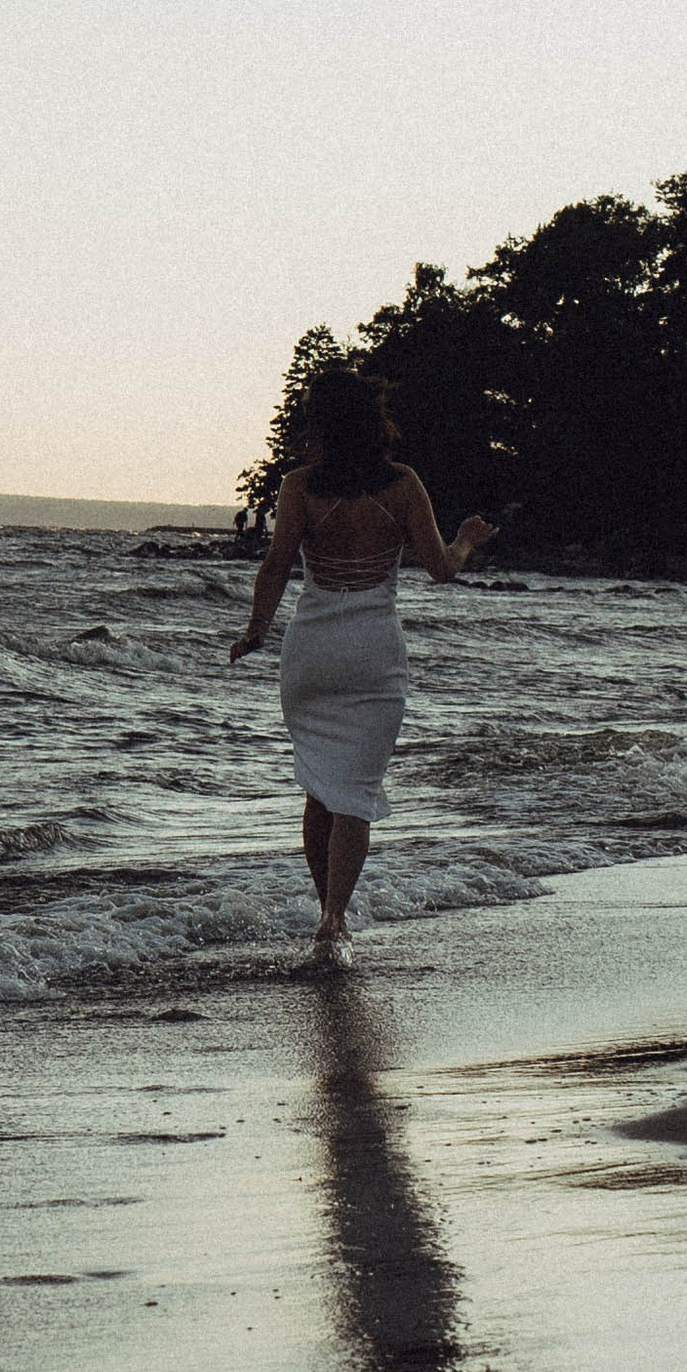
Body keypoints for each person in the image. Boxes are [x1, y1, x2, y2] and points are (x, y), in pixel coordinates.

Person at [229, 365, 497, 956]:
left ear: (320, 424)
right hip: (373, 651)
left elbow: (276, 565)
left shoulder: (300, 485)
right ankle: (333, 918)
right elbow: (441, 568)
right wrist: (468, 538)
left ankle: (327, 918)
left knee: (321, 788)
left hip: (312, 650)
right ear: (376, 422)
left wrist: (255, 630)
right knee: (355, 791)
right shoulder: (402, 484)